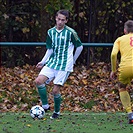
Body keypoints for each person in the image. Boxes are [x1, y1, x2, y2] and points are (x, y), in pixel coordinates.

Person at [34, 9, 83, 119]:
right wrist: (43, 61)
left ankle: (56, 112)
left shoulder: (71, 33)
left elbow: (80, 47)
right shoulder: (50, 32)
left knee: (55, 90)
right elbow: (50, 49)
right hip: (53, 62)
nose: (60, 22)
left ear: (66, 21)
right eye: (58, 19)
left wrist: (73, 61)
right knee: (38, 81)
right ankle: (46, 106)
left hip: (65, 65)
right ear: (55, 18)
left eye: (62, 20)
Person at [110, 20, 133, 124]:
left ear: (125, 30)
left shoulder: (119, 39)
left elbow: (113, 55)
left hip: (125, 68)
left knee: (122, 87)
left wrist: (113, 70)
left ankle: (130, 114)